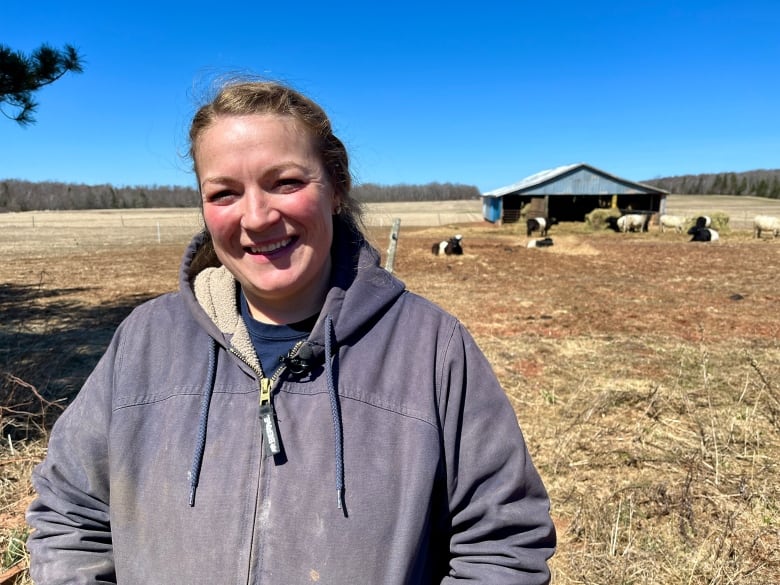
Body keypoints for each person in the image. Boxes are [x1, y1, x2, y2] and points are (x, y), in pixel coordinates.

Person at [26, 79, 556, 584]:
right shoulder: (145, 341)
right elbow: (68, 513)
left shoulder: (431, 348)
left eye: (286, 183)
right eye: (224, 193)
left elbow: (503, 539)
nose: (256, 217)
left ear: (336, 189)